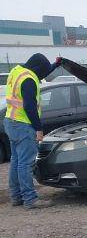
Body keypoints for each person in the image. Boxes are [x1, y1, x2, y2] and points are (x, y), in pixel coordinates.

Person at [5, 53, 60, 209]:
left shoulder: (17, 71)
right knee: (26, 163)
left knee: (16, 162)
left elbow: (41, 71)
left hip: (11, 121)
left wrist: (56, 65)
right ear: (37, 68)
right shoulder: (29, 80)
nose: (43, 75)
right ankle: (30, 199)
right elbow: (29, 106)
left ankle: (16, 197)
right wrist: (38, 129)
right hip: (23, 124)